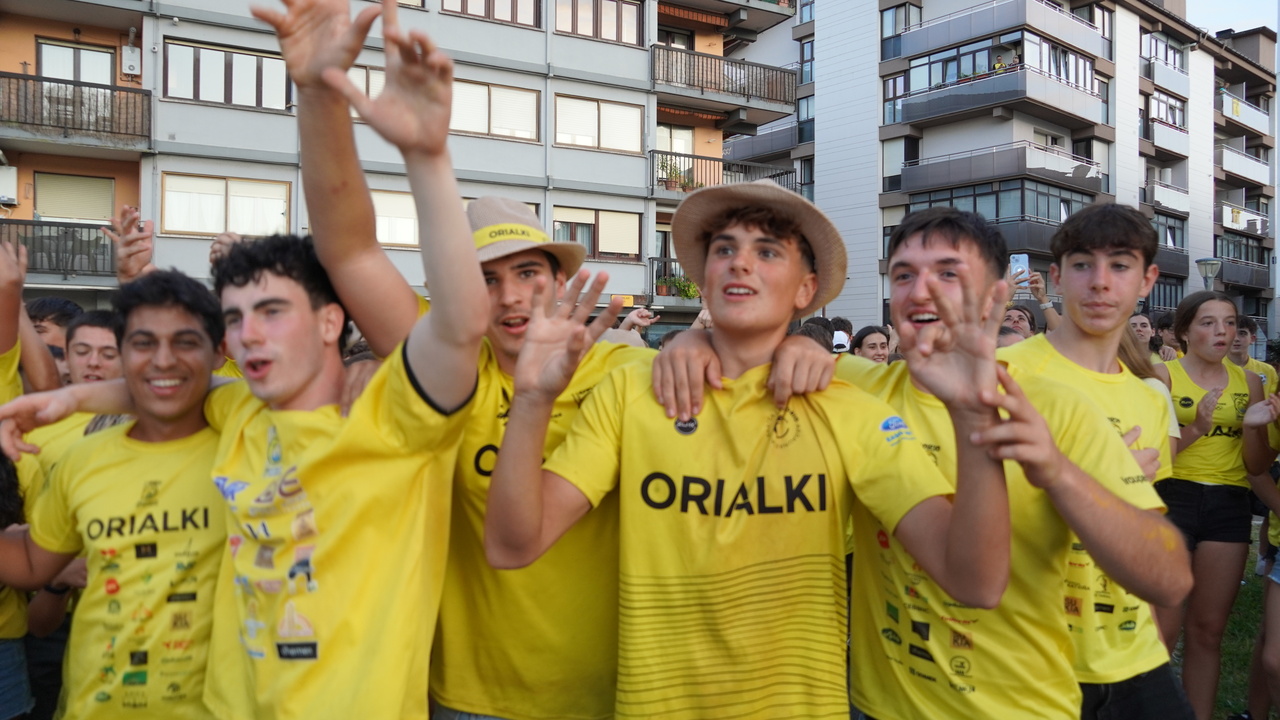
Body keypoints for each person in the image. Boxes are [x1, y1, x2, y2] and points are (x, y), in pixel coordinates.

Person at [0, 12, 490, 718]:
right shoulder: (237, 411)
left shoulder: (396, 420)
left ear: (331, 321)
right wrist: (73, 400)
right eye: (234, 318)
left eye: (272, 311)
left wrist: (411, 148)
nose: (248, 335)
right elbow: (170, 383)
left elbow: (402, 283)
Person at [486, 181, 1014, 719]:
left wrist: (974, 418)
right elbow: (512, 545)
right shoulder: (632, 392)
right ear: (704, 279)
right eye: (724, 249)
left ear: (806, 289)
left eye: (767, 252)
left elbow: (975, 581)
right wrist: (531, 400)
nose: (740, 263)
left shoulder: (850, 410)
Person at [0, 270, 228, 719]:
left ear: (219, 352)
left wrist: (79, 397)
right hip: (93, 706)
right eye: (142, 343)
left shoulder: (246, 436)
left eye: (186, 342)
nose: (163, 359)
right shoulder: (83, 458)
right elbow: (29, 563)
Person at [1000, 202, 1192, 719]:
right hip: (1031, 655)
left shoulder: (1151, 398)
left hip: (1132, 652)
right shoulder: (1002, 374)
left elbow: (1145, 529)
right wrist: (1097, 476)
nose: (1100, 282)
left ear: (1147, 280)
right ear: (1057, 277)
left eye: (1120, 265)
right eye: (1083, 264)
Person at [1152, 291, 1280, 720]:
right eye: (1208, 323)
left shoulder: (1251, 382)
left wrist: (1254, 428)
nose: (1221, 332)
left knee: (1208, 631)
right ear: (1184, 332)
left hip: (1229, 503)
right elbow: (1150, 457)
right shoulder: (1162, 376)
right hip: (1172, 497)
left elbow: (1256, 465)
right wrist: (1198, 427)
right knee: (1162, 631)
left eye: (1228, 323)